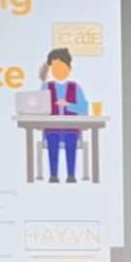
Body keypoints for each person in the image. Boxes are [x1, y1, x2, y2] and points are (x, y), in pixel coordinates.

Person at [38, 46, 88, 183]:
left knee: (70, 141)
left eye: (61, 67)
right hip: (51, 128)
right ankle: (53, 175)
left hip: (71, 128)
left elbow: (84, 108)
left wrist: (69, 104)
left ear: (69, 68)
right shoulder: (46, 87)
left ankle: (71, 175)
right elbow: (39, 107)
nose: (58, 71)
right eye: (54, 68)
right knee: (52, 141)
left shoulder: (75, 87)